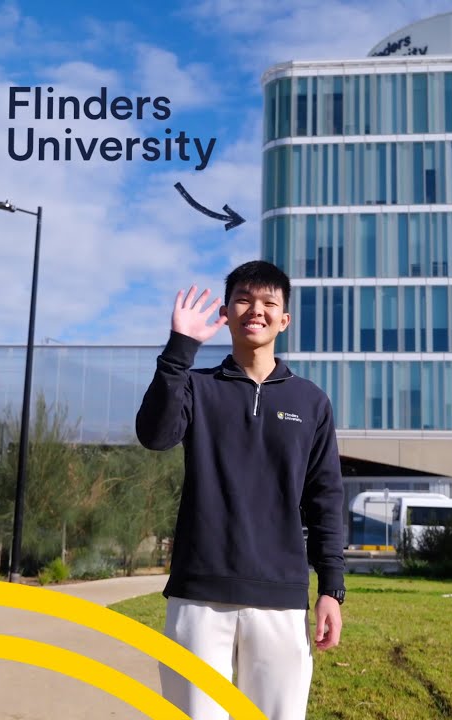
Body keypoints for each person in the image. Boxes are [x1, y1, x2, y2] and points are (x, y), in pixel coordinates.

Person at [135, 260, 346, 720]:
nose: (257, 310)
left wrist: (331, 587)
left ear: (284, 320)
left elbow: (325, 499)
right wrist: (180, 347)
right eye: (244, 299)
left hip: (281, 599)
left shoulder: (310, 401)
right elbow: (155, 435)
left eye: (270, 302)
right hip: (199, 596)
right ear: (227, 313)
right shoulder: (195, 385)